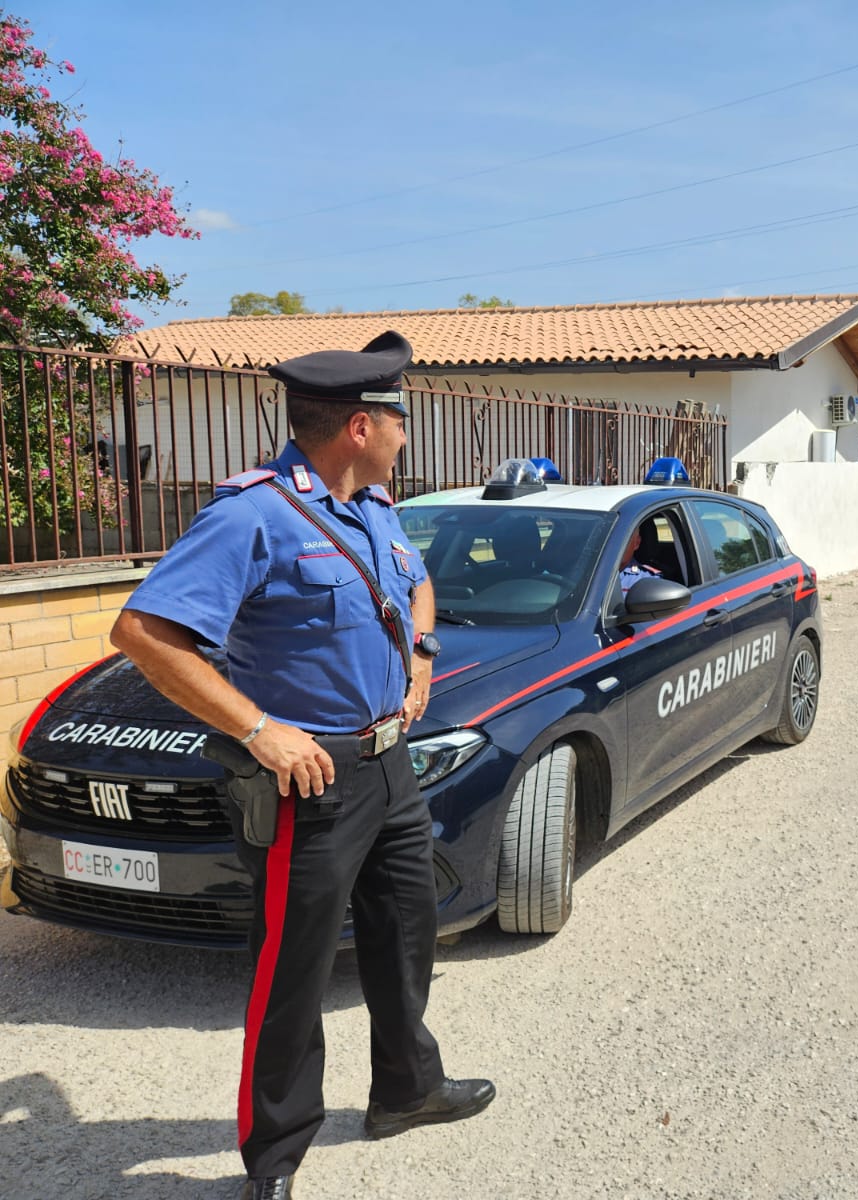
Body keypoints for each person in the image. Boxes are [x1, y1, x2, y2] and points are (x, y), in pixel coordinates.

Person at [109, 331, 493, 1200]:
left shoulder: (377, 507)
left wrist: (422, 657)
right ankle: (275, 1157)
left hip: (390, 768)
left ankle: (407, 1089)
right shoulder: (251, 514)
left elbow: (414, 584)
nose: (406, 429)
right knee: (295, 971)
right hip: (307, 781)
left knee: (405, 937)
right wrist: (258, 730)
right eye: (399, 416)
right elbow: (143, 633)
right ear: (361, 425)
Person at [617, 525, 661, 596]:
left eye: (621, 540)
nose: (613, 546)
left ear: (636, 543)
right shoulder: (594, 571)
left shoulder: (649, 581)